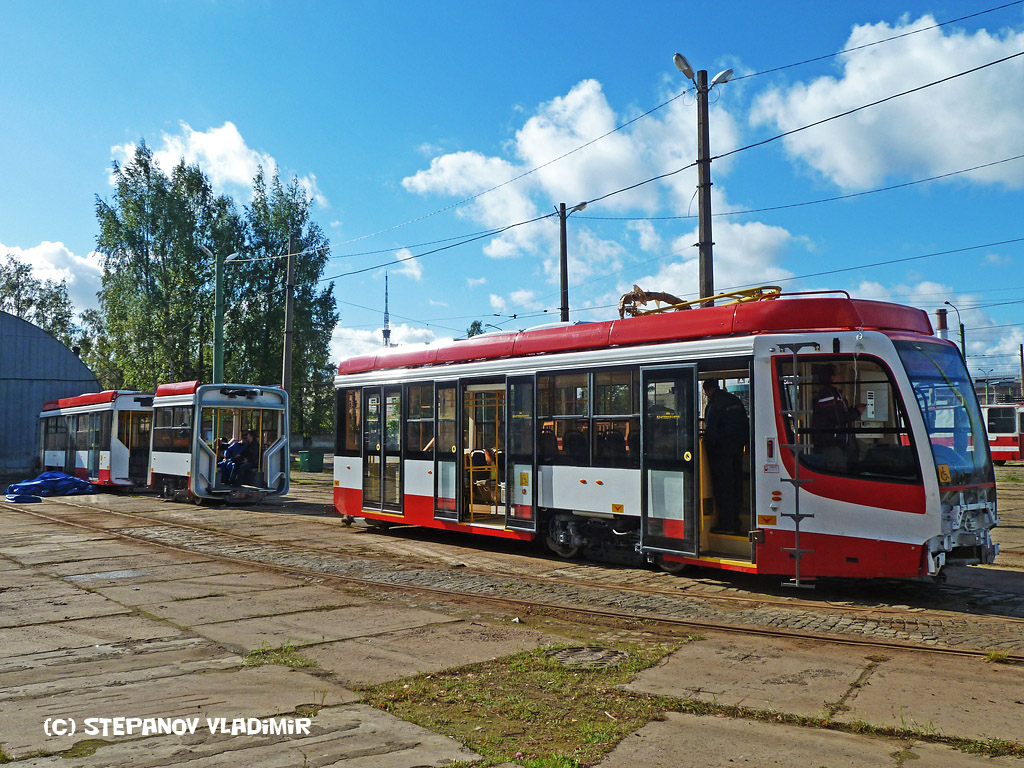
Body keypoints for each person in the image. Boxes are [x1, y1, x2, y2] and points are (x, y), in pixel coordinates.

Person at [702, 378, 749, 535]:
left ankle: (726, 524)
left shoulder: (714, 404)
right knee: (736, 485)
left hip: (720, 453)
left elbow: (711, 431)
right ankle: (736, 521)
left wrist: (707, 449)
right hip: (736, 450)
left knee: (723, 488)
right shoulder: (734, 400)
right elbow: (745, 423)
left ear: (707, 391)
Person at [811, 364, 865, 472]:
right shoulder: (827, 394)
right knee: (837, 472)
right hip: (831, 444)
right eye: (838, 373)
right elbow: (838, 417)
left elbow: (840, 414)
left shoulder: (835, 393)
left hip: (840, 443)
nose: (841, 375)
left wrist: (854, 410)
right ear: (832, 377)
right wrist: (857, 412)